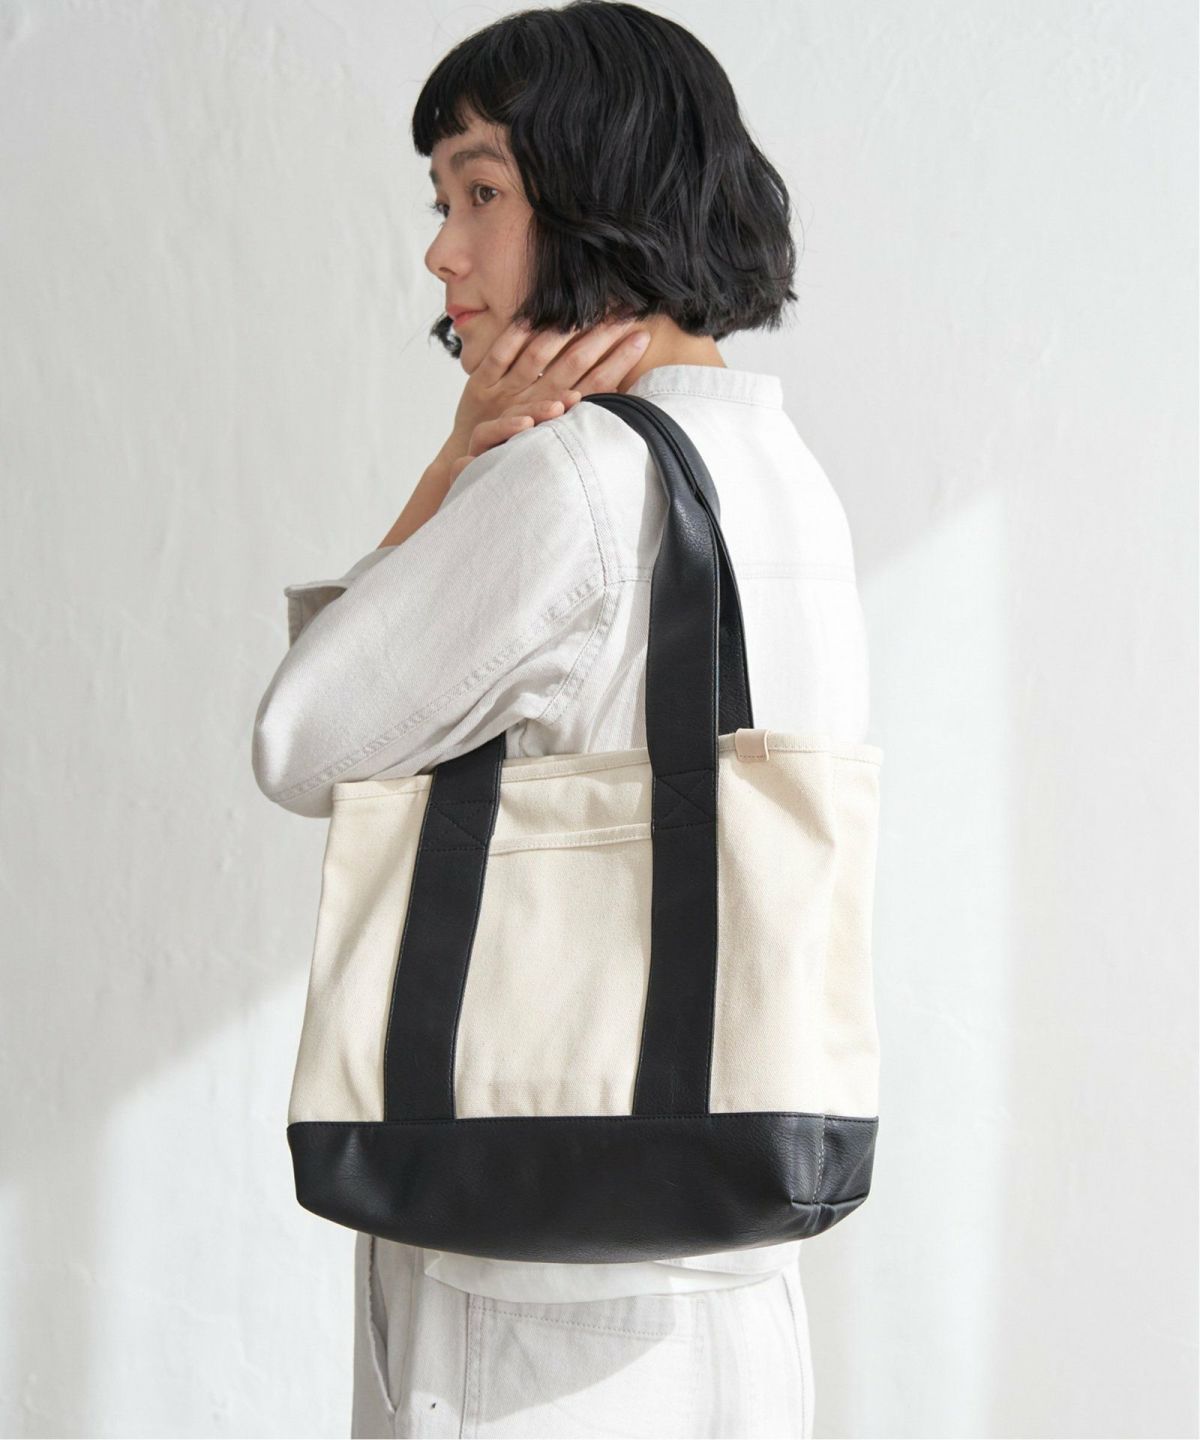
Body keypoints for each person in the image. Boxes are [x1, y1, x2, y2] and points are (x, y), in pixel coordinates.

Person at [252, 2, 872, 1434]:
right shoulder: (781, 469)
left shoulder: (570, 476)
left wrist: (454, 464)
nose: (442, 251)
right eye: (441, 199)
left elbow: (304, 738)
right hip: (728, 1281)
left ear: (601, 191)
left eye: (479, 192)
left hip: (533, 1300)